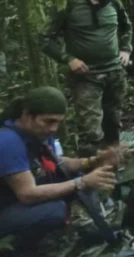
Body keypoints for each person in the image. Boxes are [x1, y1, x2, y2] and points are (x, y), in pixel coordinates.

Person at [0, 87, 122, 251]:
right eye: (49, 121)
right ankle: (19, 248)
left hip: (17, 200)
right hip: (7, 208)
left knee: (81, 177)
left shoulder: (37, 133)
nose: (53, 129)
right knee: (55, 210)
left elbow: (56, 163)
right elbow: (27, 194)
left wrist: (93, 161)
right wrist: (81, 182)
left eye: (58, 122)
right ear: (28, 115)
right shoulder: (8, 141)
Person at [40, 0, 131, 155]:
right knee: (91, 131)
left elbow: (126, 28)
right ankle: (92, 174)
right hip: (86, 76)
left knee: (113, 122)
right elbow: (46, 39)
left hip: (114, 73)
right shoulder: (69, 4)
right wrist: (68, 59)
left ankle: (114, 166)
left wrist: (126, 49)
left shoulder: (113, 3)